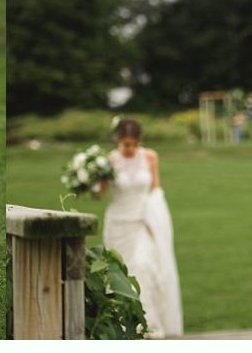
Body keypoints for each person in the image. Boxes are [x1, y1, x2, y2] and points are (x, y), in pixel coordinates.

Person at [100, 118, 183, 338]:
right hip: (118, 223)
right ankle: (119, 325)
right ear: (118, 140)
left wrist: (155, 218)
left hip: (142, 222)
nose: (131, 148)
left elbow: (156, 189)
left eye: (134, 143)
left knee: (144, 267)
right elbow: (100, 193)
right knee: (118, 274)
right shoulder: (110, 161)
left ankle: (147, 324)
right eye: (127, 144)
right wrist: (92, 177)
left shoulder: (150, 157)